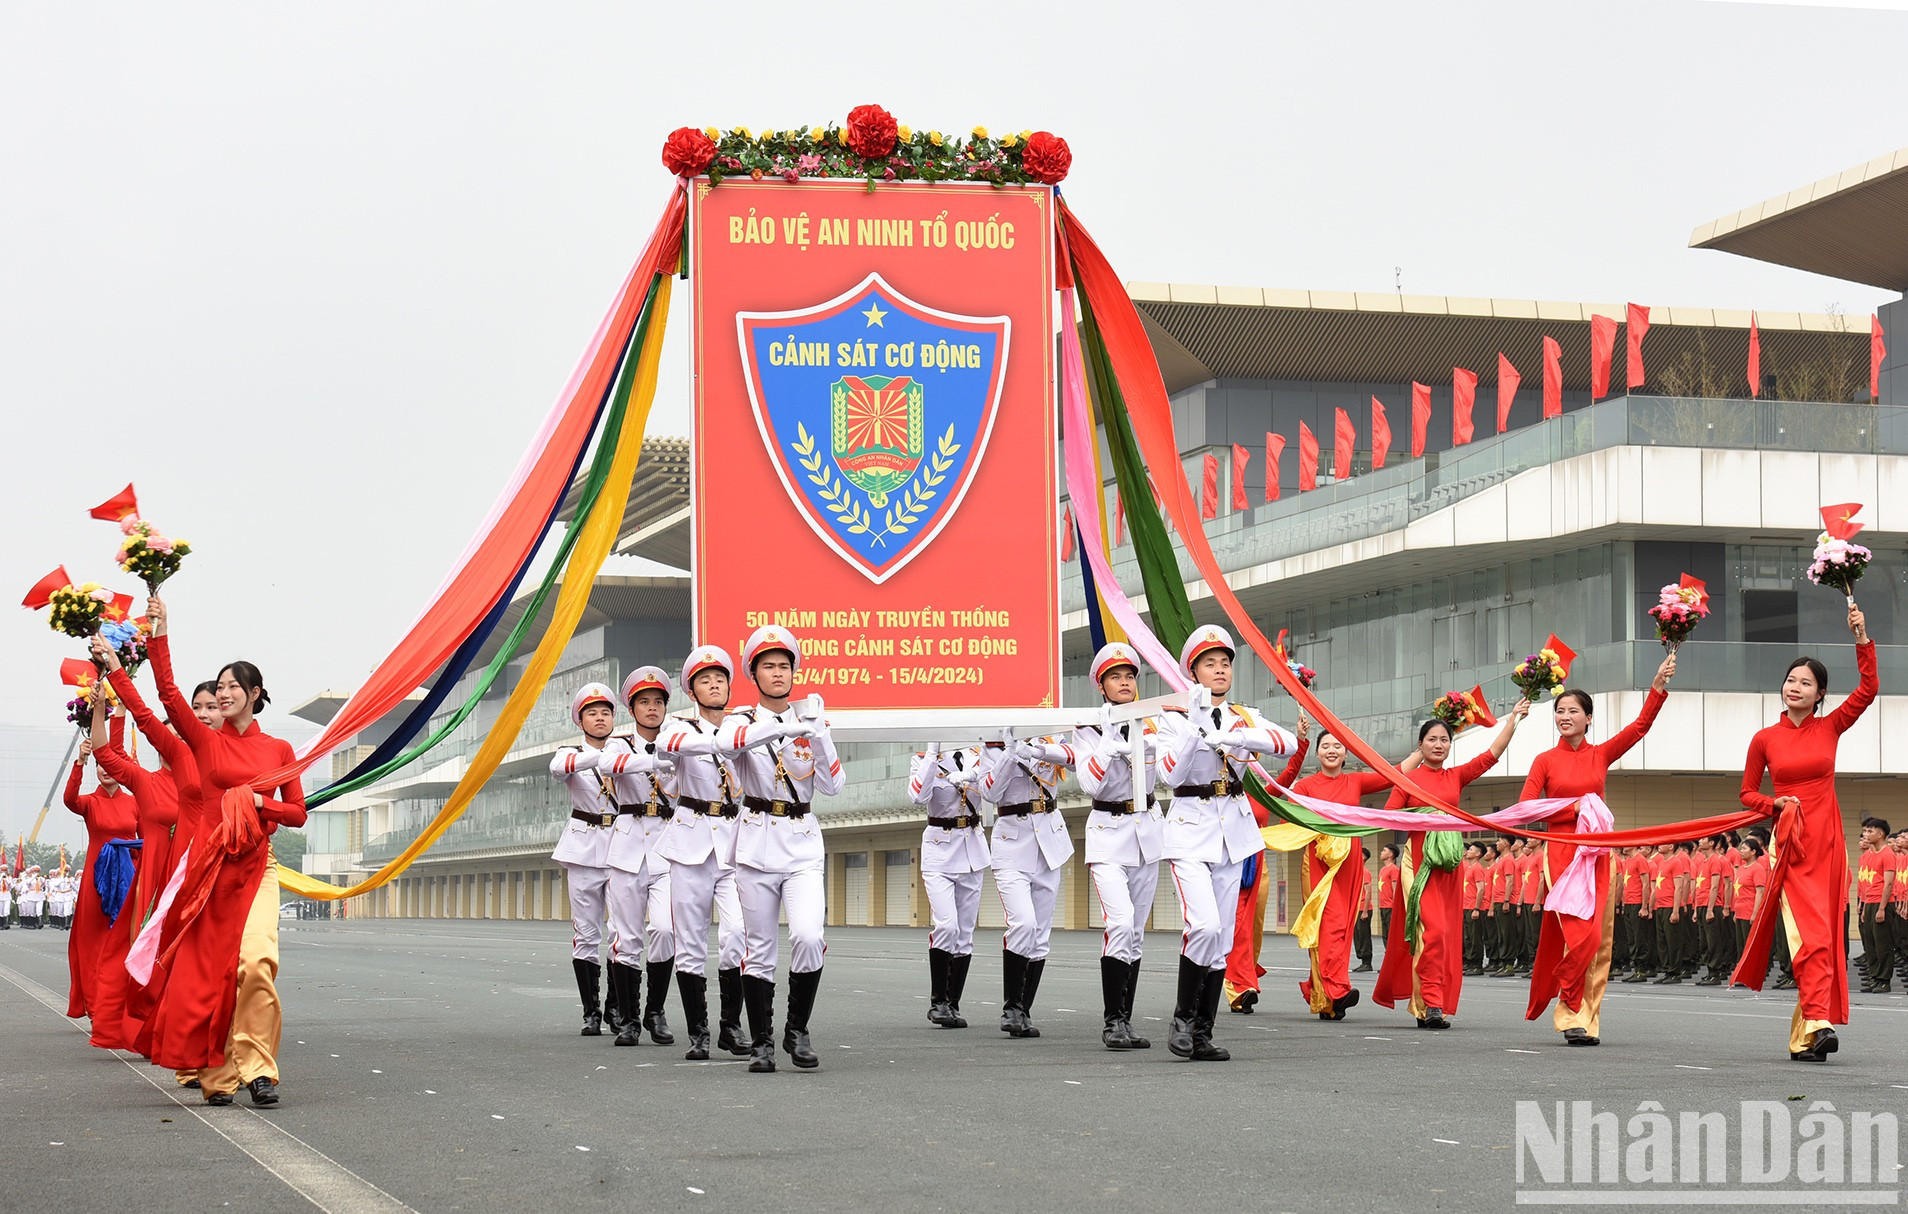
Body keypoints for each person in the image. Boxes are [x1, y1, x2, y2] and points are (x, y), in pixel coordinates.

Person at [144, 597, 304, 1108]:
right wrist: (160, 632)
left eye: (234, 686)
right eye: (220, 687)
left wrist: (261, 802)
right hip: (212, 869)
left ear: (255, 694)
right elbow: (168, 695)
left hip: (259, 866)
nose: (224, 693)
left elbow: (297, 813)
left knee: (256, 962)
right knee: (216, 971)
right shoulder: (207, 743)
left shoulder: (278, 750)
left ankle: (259, 1068)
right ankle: (219, 1074)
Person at [1734, 603, 1876, 1062]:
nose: (1795, 687)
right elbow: (1747, 794)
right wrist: (1774, 803)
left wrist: (1861, 638)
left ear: (1820, 695)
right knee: (1809, 935)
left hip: (1828, 842)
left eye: (1806, 682)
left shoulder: (1830, 726)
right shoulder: (1764, 739)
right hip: (1790, 844)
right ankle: (1820, 1021)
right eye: (1791, 680)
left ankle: (1807, 1034)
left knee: (1825, 936)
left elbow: (1869, 688)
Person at [1156, 626, 1298, 1061]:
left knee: (1220, 940)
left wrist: (1236, 737)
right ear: (1193, 672)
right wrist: (1195, 729)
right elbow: (1170, 775)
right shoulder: (1172, 716)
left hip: (1231, 834)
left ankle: (1203, 1031)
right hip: (1189, 830)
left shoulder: (1244, 715)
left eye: (1225, 664)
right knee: (1203, 926)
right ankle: (1182, 1019)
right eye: (1209, 664)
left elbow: (1287, 743)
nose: (1219, 670)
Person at [1519, 656, 1671, 1045]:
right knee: (1578, 937)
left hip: (1599, 856)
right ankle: (1568, 1006)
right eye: (1559, 711)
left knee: (1600, 943)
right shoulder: (1545, 760)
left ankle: (1584, 1018)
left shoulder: (1599, 755)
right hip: (1562, 856)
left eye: (1573, 711)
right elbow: (1526, 808)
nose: (1564, 716)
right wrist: (1575, 808)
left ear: (1589, 718)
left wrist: (1656, 686)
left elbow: (1640, 727)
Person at [721, 626, 842, 1073]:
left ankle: (797, 1029)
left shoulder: (810, 723)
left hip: (803, 841)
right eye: (768, 666)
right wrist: (786, 727)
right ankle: (761, 1043)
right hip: (756, 841)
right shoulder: (741, 720)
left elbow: (832, 785)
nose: (777, 673)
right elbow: (725, 744)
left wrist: (819, 733)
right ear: (754, 673)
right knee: (759, 948)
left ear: (794, 671)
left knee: (810, 935)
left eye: (784, 665)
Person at [1372, 700, 1528, 1029]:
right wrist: (1426, 815)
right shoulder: (1408, 779)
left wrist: (1512, 720)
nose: (1439, 745)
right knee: (1432, 932)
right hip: (1420, 864)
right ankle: (1430, 1004)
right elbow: (1389, 815)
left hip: (1450, 866)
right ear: (1420, 744)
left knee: (1444, 936)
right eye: (1432, 739)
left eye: (1444, 740)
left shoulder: (1455, 776)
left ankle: (1431, 1004)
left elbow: (1490, 756)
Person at [654, 646, 748, 1061]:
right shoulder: (678, 727)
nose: (715, 685)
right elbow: (668, 748)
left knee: (741, 934)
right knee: (689, 942)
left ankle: (731, 1025)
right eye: (705, 680)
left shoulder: (745, 725)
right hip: (691, 842)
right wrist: (719, 738)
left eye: (721, 678)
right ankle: (699, 1032)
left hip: (733, 841)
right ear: (692, 689)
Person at [1071, 643, 1164, 1050]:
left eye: (1129, 676)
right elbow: (1090, 784)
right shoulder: (1088, 728)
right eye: (1115, 677)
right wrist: (1111, 744)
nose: (1124, 683)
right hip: (1109, 832)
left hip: (1146, 830)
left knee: (1136, 933)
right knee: (1120, 923)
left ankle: (1125, 1020)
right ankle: (1111, 1021)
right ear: (1102, 687)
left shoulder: (1153, 722)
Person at [1288, 730, 1407, 1019]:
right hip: (1319, 860)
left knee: (1342, 928)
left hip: (1350, 860)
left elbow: (1393, 773)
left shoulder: (1354, 781)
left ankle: (1327, 998)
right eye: (1325, 746)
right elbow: (1289, 814)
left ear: (1346, 752)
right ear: (1317, 752)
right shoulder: (1305, 786)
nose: (1332, 750)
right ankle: (1337, 989)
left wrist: (1421, 753)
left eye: (1338, 746)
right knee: (1326, 925)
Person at [600, 666, 679, 1047]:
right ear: (632, 709)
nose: (652, 708)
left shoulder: (680, 739)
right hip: (628, 846)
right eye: (644, 702)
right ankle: (628, 1019)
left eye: (658, 702)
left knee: (665, 929)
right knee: (626, 938)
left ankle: (655, 1011)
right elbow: (607, 766)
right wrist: (654, 761)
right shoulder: (619, 744)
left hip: (666, 846)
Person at [74, 697, 148, 1051]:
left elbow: (148, 835)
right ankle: (94, 1007)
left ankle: (122, 1007)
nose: (106, 772)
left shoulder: (135, 801)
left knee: (125, 942)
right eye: (100, 768)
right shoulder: (90, 801)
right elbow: (69, 800)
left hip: (130, 876)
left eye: (110, 767)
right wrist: (80, 761)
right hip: (96, 878)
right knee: (93, 945)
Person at [1224, 710, 1309, 1014]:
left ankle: (1245, 976)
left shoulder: (1262, 791)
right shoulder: (1219, 787)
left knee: (1254, 926)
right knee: (1236, 926)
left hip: (1257, 862)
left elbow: (1290, 773)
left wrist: (1300, 740)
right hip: (1227, 859)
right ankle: (1239, 987)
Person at [548, 682, 621, 1037]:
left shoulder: (628, 749)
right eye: (592, 713)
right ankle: (591, 1010)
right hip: (584, 848)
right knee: (586, 933)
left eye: (606, 712)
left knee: (623, 931)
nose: (600, 718)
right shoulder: (570, 753)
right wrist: (606, 756)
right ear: (581, 720)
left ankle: (616, 1007)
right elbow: (560, 768)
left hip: (622, 846)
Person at [911, 736, 987, 1030]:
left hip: (971, 848)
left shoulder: (977, 755)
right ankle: (938, 1001)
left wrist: (971, 774)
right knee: (947, 925)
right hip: (939, 850)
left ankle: (952, 1004)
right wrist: (932, 753)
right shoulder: (922, 758)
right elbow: (917, 795)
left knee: (965, 932)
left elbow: (992, 788)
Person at [1855, 817, 1894, 993]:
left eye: (1870, 831)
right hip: (1869, 902)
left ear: (1880, 834)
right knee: (1870, 943)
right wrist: (1863, 906)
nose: (1866, 834)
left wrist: (1881, 908)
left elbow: (1889, 884)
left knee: (1882, 943)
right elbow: (1866, 883)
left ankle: (1884, 979)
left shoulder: (1887, 854)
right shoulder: (1869, 855)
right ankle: (1875, 976)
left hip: (1881, 902)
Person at [1729, 836, 1770, 985]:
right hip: (1739, 912)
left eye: (1745, 848)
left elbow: (1760, 892)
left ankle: (1751, 975)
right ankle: (1742, 973)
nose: (1741, 851)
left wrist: (1755, 913)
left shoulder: (1757, 869)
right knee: (1740, 945)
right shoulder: (1740, 868)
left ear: (1753, 851)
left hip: (1749, 912)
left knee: (1749, 945)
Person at [1460, 843, 1487, 976]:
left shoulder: (1477, 868)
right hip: (1465, 907)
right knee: (1468, 937)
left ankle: (1477, 964)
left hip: (1473, 907)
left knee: (1475, 937)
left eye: (1471, 850)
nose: (1468, 852)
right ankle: (1470, 962)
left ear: (1478, 854)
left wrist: (1476, 908)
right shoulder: (1469, 868)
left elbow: (1481, 889)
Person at [1353, 847, 1376, 972]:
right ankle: (1362, 960)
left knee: (1364, 936)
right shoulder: (1356, 871)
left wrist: (1365, 911)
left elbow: (1367, 892)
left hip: (1363, 908)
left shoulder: (1364, 872)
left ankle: (1367, 962)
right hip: (1357, 909)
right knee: (1357, 936)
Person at [1376, 845, 1399, 946]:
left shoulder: (1393, 869)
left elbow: (1395, 889)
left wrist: (1395, 908)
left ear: (1390, 855)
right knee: (1385, 935)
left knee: (1391, 935)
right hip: (1383, 907)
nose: (1381, 852)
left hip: (1390, 907)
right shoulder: (1382, 870)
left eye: (1384, 851)